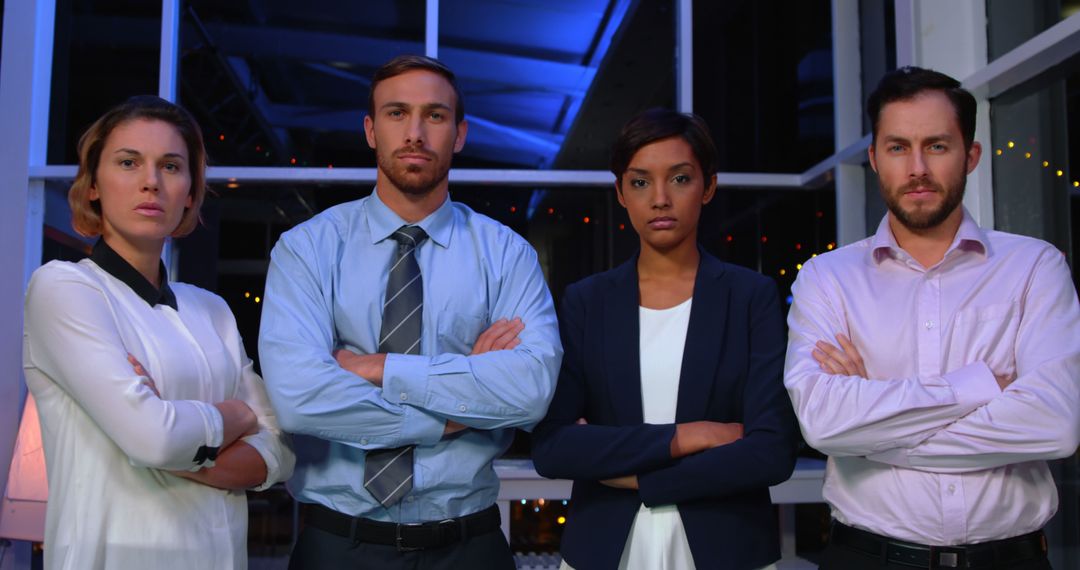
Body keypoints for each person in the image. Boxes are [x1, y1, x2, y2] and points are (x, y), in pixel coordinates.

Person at [258, 54, 562, 569]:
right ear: (371, 130)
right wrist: (456, 414)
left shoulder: (507, 253)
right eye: (397, 113)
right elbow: (299, 400)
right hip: (338, 545)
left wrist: (380, 369)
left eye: (435, 116)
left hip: (470, 546)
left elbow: (529, 391)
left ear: (460, 134)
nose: (415, 132)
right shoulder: (306, 249)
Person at [784, 66, 1080, 570]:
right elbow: (823, 423)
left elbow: (1054, 425)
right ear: (875, 159)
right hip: (866, 559)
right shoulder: (826, 278)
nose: (917, 167)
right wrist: (974, 388)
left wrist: (874, 429)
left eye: (937, 146)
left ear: (971, 156)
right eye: (898, 147)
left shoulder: (1034, 266)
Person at [23, 95, 295, 569]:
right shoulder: (64, 288)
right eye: (129, 163)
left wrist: (169, 432)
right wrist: (235, 415)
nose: (151, 182)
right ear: (92, 185)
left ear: (190, 191)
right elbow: (154, 438)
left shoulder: (210, 309)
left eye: (171, 166)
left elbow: (281, 453)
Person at [532, 108, 800, 570]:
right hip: (604, 549)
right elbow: (554, 447)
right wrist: (690, 436)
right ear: (620, 193)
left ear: (708, 187)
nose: (659, 199)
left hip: (729, 546)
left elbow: (772, 453)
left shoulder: (749, 296)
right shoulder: (587, 301)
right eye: (640, 182)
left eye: (679, 179)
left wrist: (633, 476)